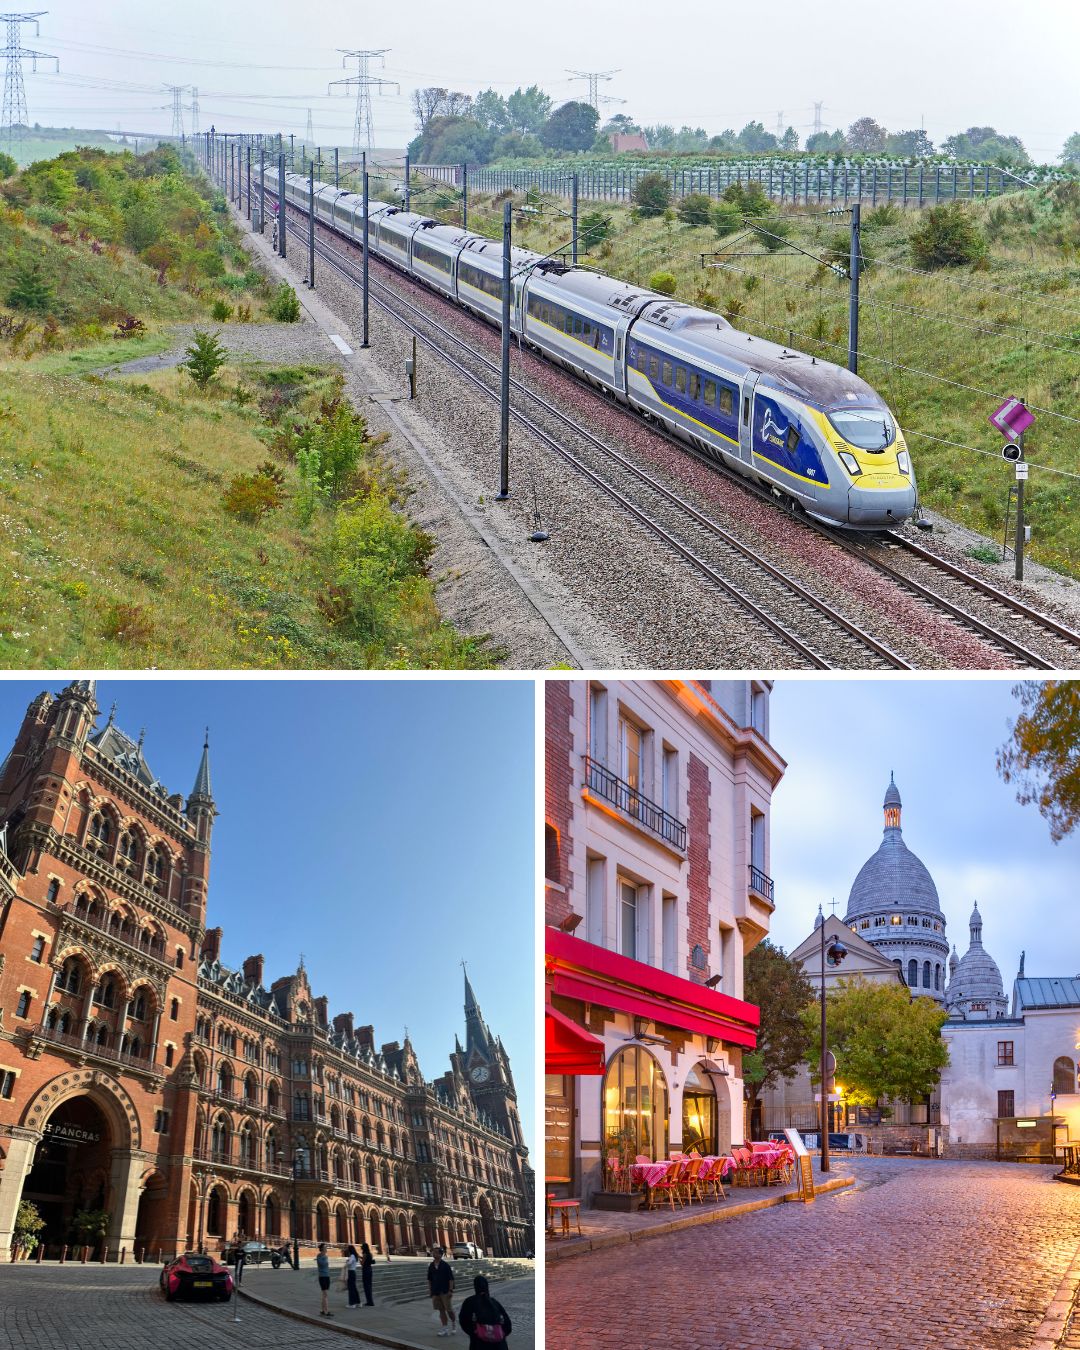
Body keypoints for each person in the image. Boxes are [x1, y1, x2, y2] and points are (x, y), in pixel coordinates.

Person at [458, 1275, 512, 1348]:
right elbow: (508, 1325)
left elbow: (463, 1321)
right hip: (499, 1344)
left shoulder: (469, 1302)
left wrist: (473, 1333)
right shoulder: (494, 1302)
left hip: (479, 1343)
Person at [426, 1245, 455, 1337]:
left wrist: (450, 1290)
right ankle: (445, 1328)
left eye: (435, 1252)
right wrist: (430, 1291)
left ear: (440, 1254)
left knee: (449, 1310)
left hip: (445, 1291)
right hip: (436, 1291)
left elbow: (451, 1279)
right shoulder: (431, 1266)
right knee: (441, 1310)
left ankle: (454, 1323)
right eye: (433, 1252)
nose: (433, 1254)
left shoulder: (445, 1265)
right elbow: (429, 1279)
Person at [316, 1241, 333, 1317]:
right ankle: (326, 1311)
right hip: (322, 1276)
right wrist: (324, 1257)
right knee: (325, 1294)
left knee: (324, 1294)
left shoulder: (325, 1256)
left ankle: (323, 1310)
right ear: (322, 1249)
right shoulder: (320, 1256)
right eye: (325, 1248)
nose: (326, 1249)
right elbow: (322, 1265)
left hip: (326, 1276)